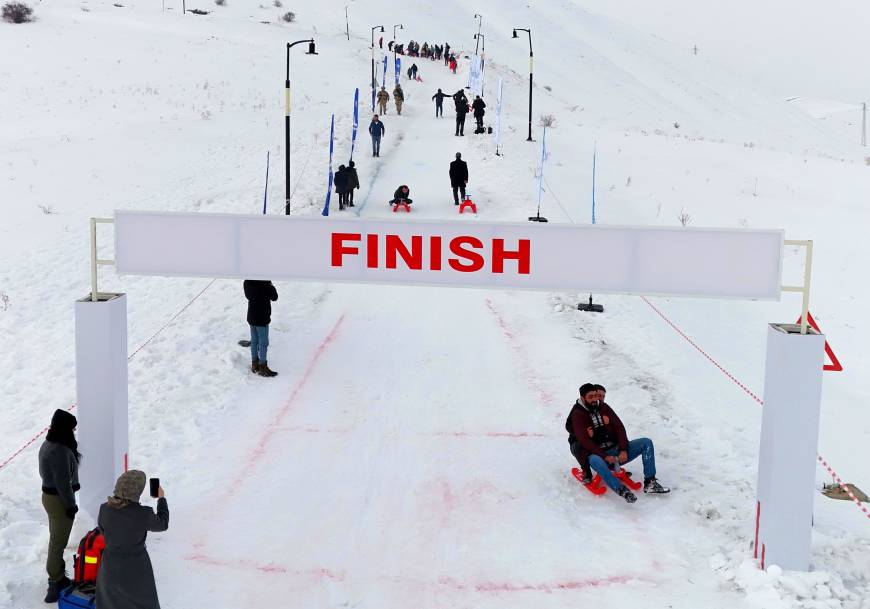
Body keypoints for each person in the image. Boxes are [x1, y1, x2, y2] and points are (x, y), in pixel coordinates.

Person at [567, 384, 670, 503]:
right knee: (595, 460)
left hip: (615, 450)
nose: (595, 399)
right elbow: (584, 440)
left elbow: (619, 427)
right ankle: (621, 489)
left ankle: (650, 482)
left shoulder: (604, 407)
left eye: (596, 396)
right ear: (583, 398)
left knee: (646, 442)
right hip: (598, 454)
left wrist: (623, 449)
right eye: (591, 397)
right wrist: (605, 456)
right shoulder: (577, 414)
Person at [96, 470, 169, 609]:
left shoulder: (104, 508)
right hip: (136, 565)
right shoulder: (143, 514)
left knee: (110, 601)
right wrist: (162, 499)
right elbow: (162, 523)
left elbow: (102, 530)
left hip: (110, 563)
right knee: (141, 601)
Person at [39, 409, 81, 603]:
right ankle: (55, 580)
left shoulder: (48, 444)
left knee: (56, 538)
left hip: (49, 497)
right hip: (58, 501)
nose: (74, 431)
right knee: (58, 542)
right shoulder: (59, 450)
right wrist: (70, 505)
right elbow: (63, 483)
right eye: (72, 428)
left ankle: (57, 575)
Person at [243, 279, 278, 377]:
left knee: (254, 341)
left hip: (252, 316)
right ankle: (263, 367)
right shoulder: (265, 283)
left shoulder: (247, 282)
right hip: (262, 318)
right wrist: (270, 284)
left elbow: (249, 296)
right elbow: (274, 297)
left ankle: (255, 364)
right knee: (263, 343)